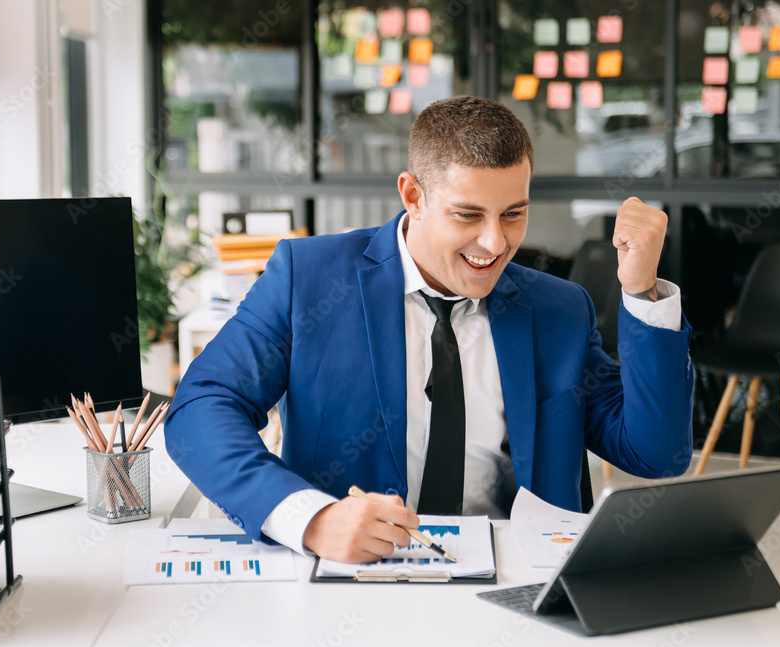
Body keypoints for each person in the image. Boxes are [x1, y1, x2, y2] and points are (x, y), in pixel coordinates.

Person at [165, 96, 693, 564]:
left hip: (520, 583)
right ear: (413, 196)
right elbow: (201, 408)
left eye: (513, 213)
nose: (494, 243)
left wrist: (641, 291)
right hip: (357, 577)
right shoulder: (311, 278)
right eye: (468, 215)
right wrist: (312, 518)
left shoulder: (559, 309)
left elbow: (655, 454)